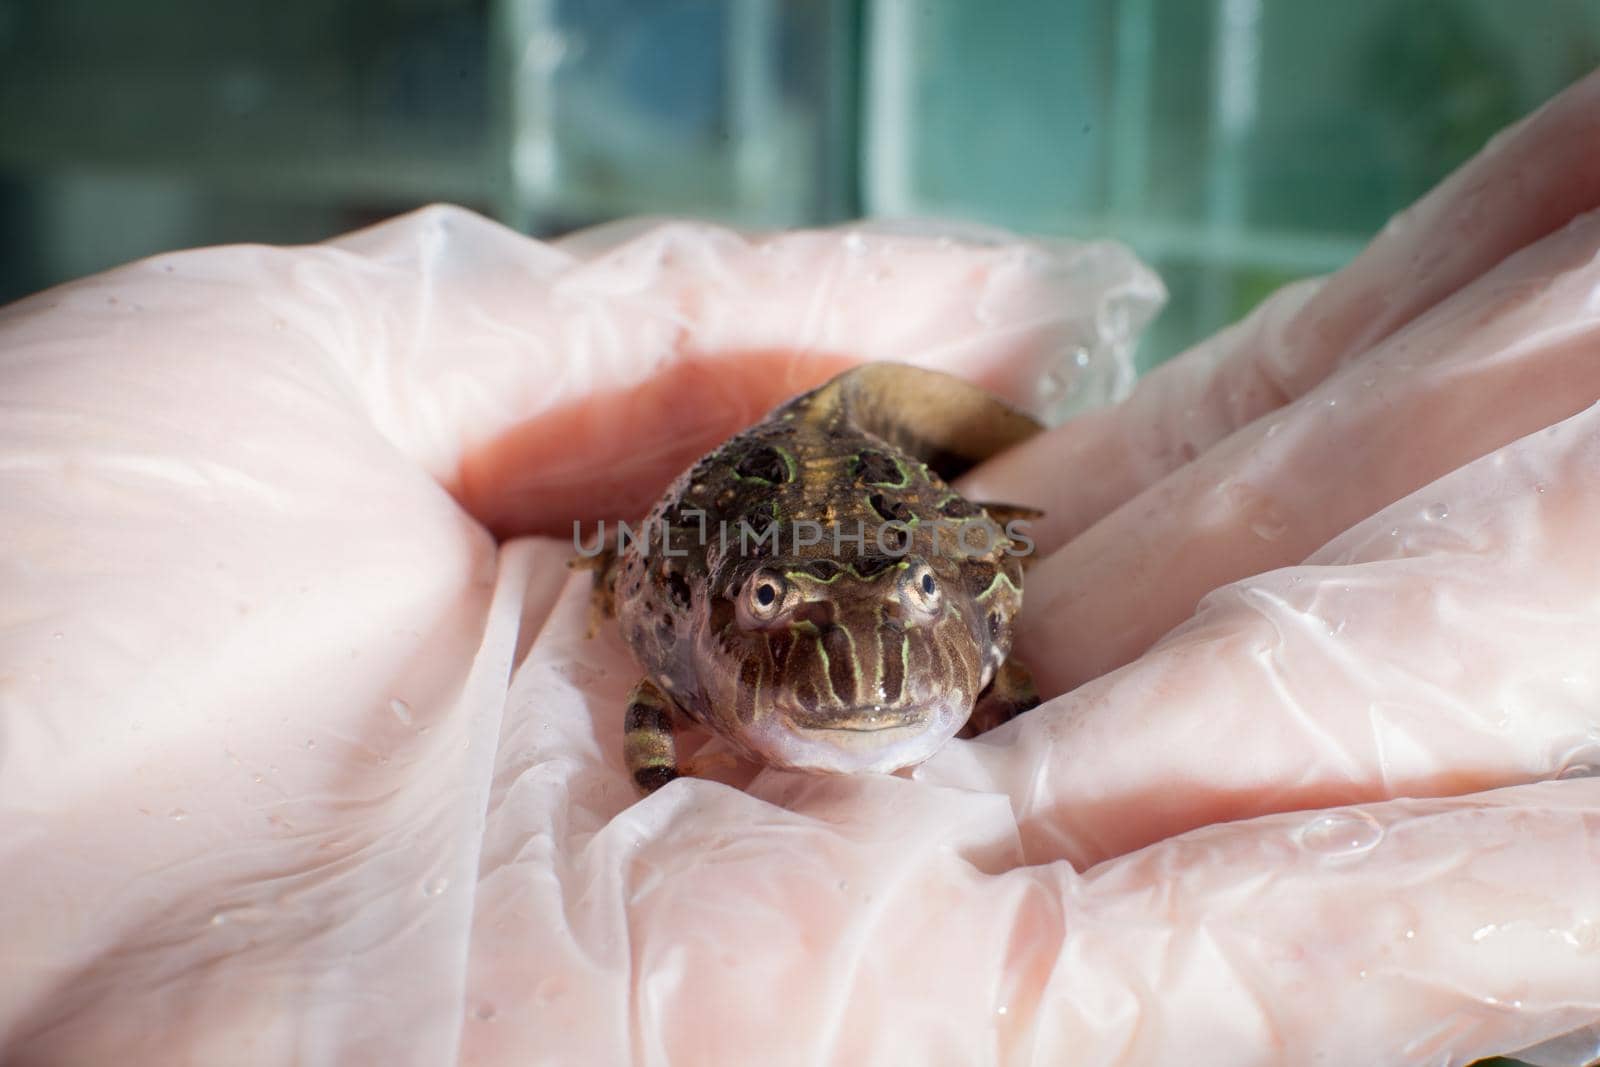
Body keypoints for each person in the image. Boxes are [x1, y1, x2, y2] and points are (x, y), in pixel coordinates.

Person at [5, 71, 1600, 1067]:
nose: (856, 663)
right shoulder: (686, 600)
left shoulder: (957, 599)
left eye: (921, 615)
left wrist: (986, 642)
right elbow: (651, 636)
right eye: (772, 613)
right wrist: (666, 723)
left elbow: (970, 598)